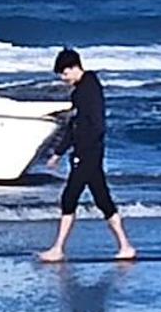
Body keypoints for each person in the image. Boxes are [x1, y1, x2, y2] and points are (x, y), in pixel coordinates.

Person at [38, 49, 136, 262]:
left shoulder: (88, 90)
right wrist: (58, 153)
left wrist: (83, 152)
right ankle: (125, 246)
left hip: (88, 154)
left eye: (64, 74)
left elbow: (95, 126)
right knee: (102, 199)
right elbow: (74, 126)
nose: (63, 79)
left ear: (74, 68)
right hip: (88, 153)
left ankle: (58, 249)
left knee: (69, 197)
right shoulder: (82, 90)